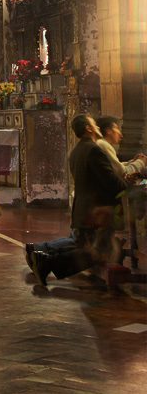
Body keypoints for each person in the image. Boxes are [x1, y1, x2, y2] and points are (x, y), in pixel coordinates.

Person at [28, 114, 127, 287]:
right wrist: (127, 182)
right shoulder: (95, 150)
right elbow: (111, 183)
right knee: (97, 251)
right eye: (94, 124)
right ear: (88, 128)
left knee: (85, 245)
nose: (97, 126)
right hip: (96, 212)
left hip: (83, 209)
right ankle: (47, 261)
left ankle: (42, 254)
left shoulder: (76, 151)